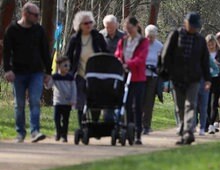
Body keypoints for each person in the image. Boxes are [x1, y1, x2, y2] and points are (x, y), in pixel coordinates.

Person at [3, 2, 51, 143]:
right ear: (25, 13)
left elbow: (45, 52)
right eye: (35, 15)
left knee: (35, 101)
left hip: (36, 72)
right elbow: (6, 52)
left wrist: (48, 72)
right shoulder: (12, 30)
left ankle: (35, 131)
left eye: (38, 15)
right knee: (19, 104)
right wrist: (8, 70)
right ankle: (20, 133)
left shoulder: (39, 30)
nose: (37, 17)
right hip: (18, 73)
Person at [160, 12, 211, 144]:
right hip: (177, 77)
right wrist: (166, 72)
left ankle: (188, 130)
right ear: (185, 23)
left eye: (196, 26)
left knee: (191, 104)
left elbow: (205, 60)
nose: (194, 29)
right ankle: (183, 127)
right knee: (180, 106)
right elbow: (165, 54)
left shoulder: (200, 40)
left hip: (194, 78)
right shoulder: (175, 35)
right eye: (192, 26)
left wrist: (207, 79)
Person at [66, 11, 108, 125]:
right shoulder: (74, 39)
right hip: (80, 75)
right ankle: (82, 125)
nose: (88, 25)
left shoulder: (98, 37)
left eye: (90, 22)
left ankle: (94, 124)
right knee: (81, 102)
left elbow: (106, 53)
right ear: (79, 25)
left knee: (95, 101)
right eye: (85, 23)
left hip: (96, 75)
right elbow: (68, 56)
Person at [115, 16, 149, 145]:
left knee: (137, 106)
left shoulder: (143, 41)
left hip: (137, 77)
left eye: (130, 28)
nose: (128, 31)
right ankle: (128, 130)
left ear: (136, 27)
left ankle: (138, 132)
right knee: (126, 104)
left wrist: (128, 64)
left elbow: (141, 57)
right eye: (126, 29)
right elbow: (118, 54)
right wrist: (119, 62)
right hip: (124, 76)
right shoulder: (123, 41)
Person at [48, 56, 76, 142]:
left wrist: (73, 100)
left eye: (68, 65)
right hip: (58, 102)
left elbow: (74, 90)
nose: (67, 68)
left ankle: (64, 135)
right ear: (59, 66)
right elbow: (48, 86)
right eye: (65, 65)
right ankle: (58, 132)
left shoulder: (71, 78)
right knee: (56, 118)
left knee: (65, 120)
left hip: (67, 102)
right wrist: (46, 81)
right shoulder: (55, 77)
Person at [142, 24, 163, 135]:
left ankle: (146, 125)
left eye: (152, 36)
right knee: (139, 100)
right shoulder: (141, 44)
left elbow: (162, 62)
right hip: (141, 75)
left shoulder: (159, 46)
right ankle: (138, 124)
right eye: (148, 36)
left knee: (149, 102)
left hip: (153, 76)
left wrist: (157, 68)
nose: (149, 39)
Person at [206, 34, 220, 134]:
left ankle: (211, 125)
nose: (211, 46)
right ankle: (207, 124)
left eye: (212, 44)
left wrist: (218, 63)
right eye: (209, 44)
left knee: (214, 103)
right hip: (207, 80)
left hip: (217, 80)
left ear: (216, 43)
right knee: (206, 103)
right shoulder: (203, 54)